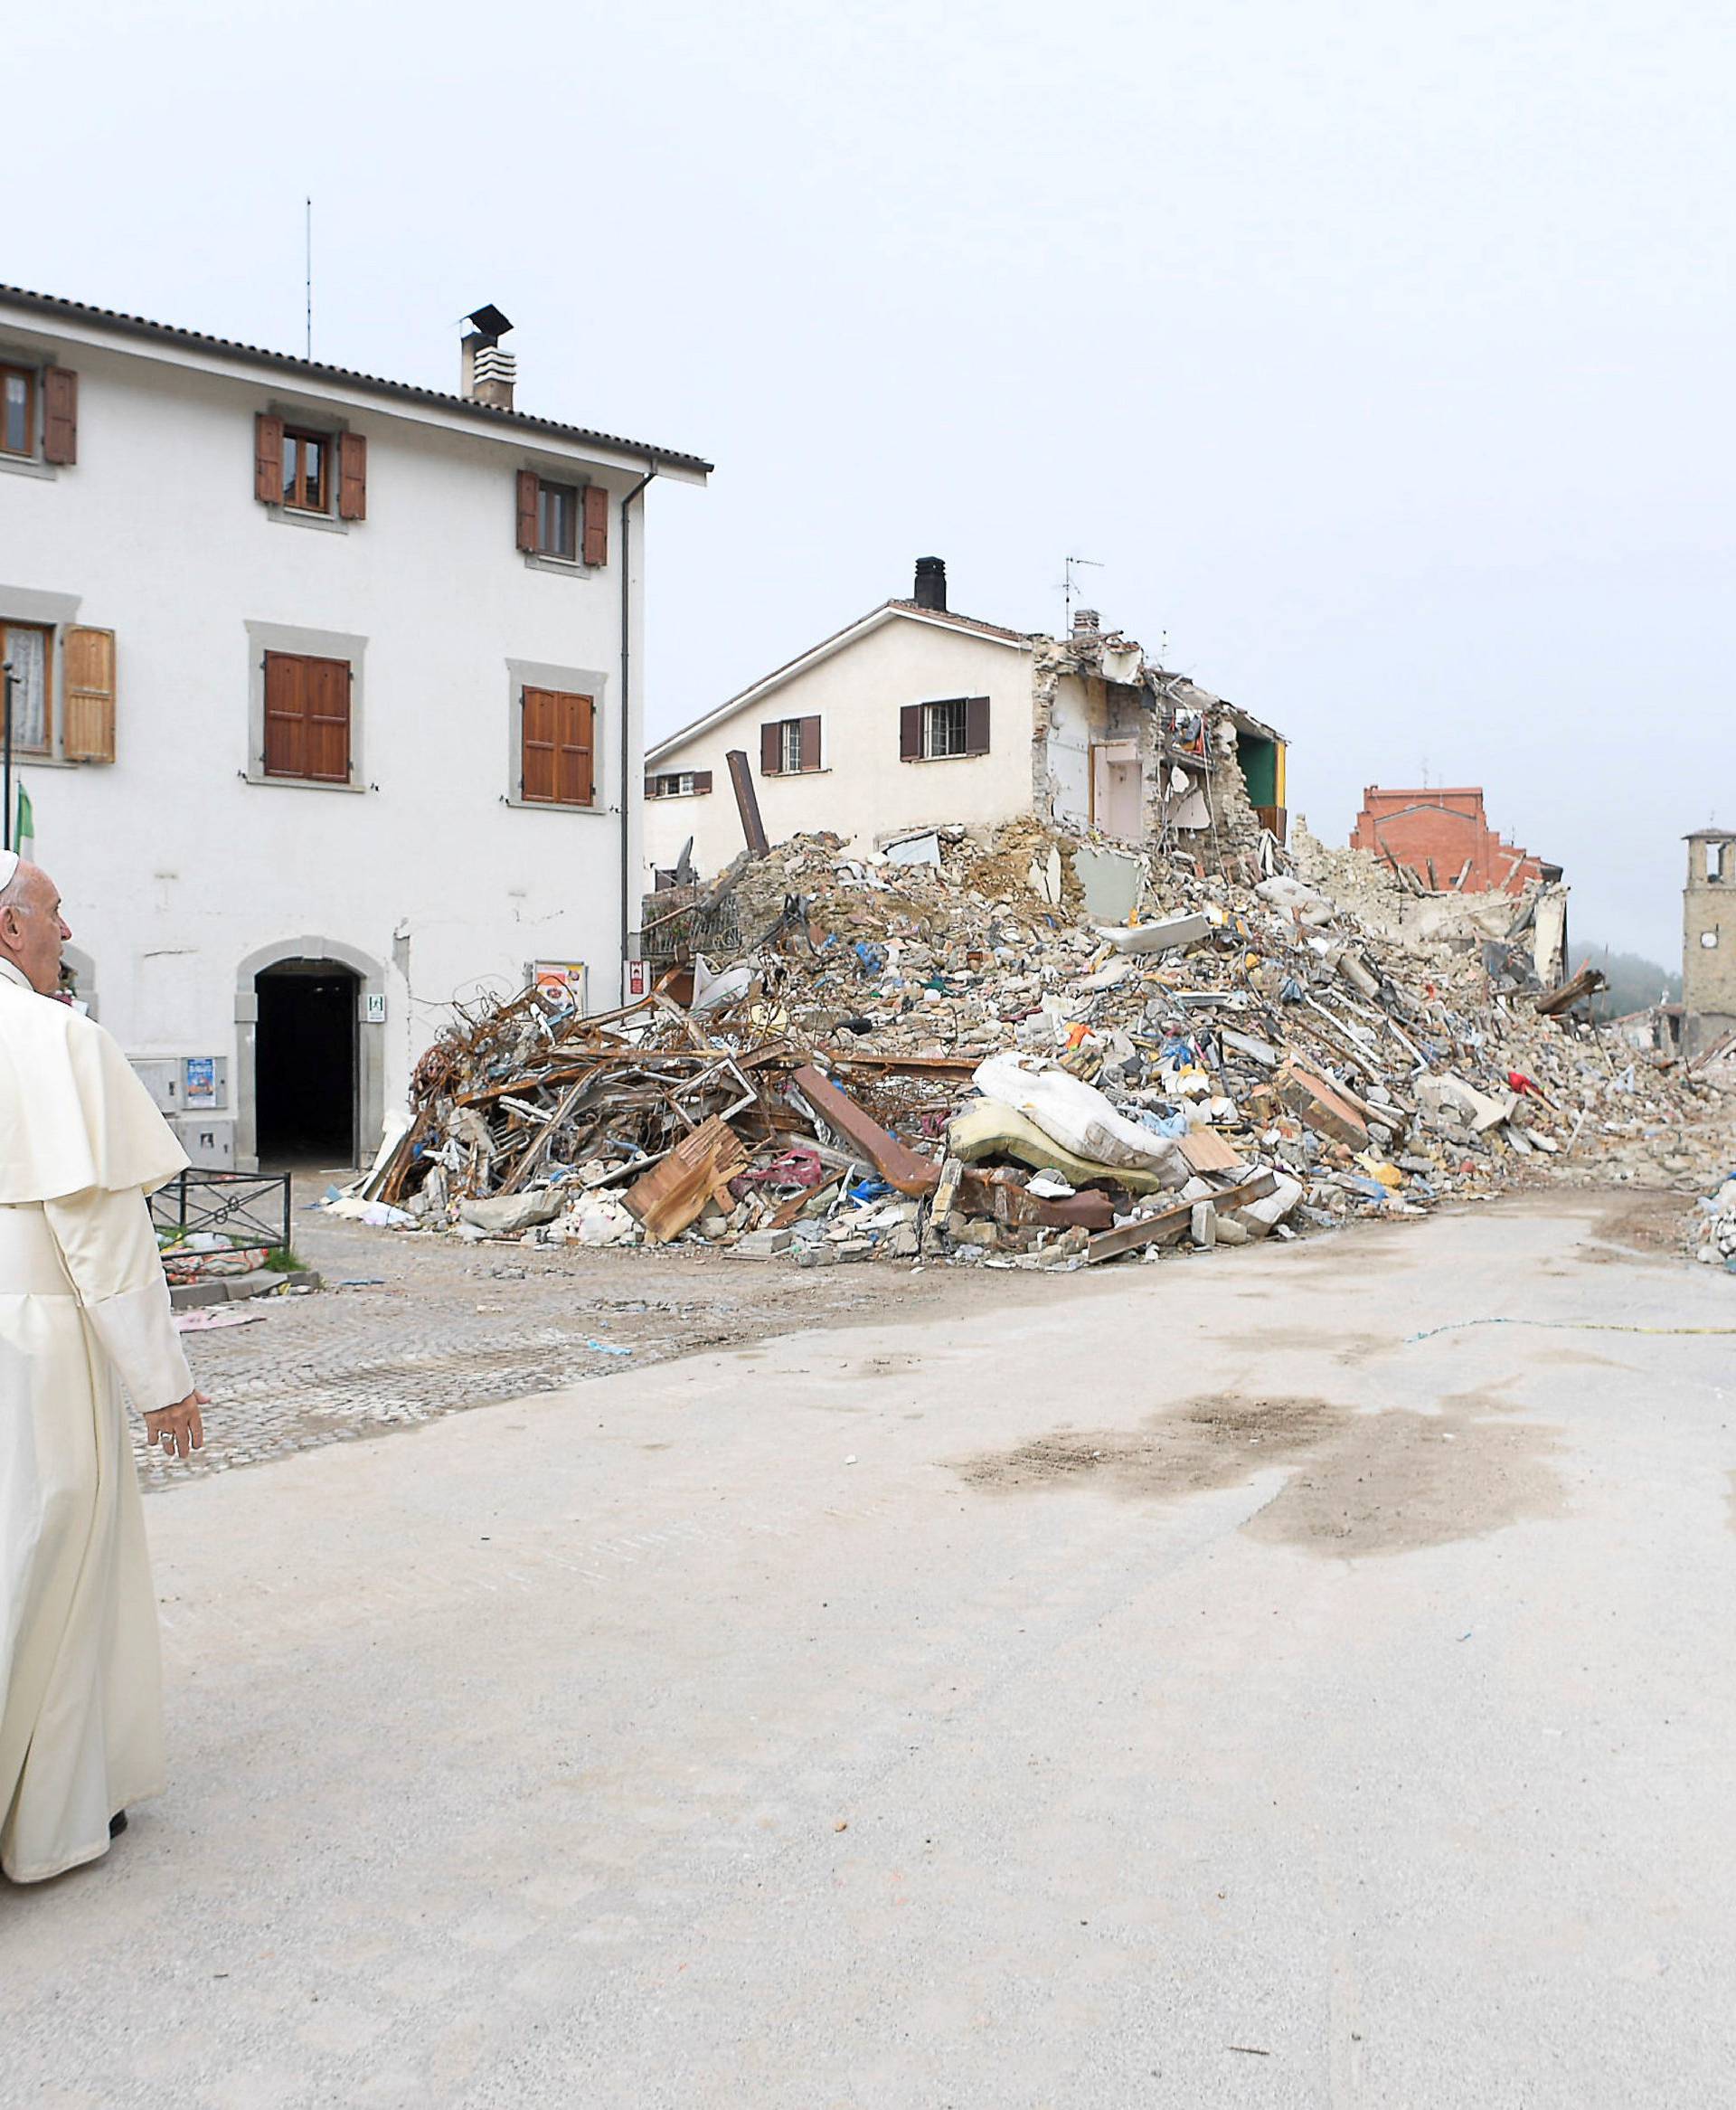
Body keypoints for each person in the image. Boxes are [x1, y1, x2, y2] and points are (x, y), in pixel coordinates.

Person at [0, 852, 207, 1883]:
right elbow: (103, 1236)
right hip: (34, 1341)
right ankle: (47, 1817)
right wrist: (160, 1379)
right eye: (53, 911)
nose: (64, 929)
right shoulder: (55, 1040)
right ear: (9, 929)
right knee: (54, 1566)